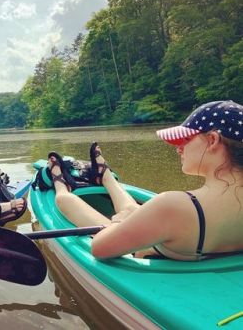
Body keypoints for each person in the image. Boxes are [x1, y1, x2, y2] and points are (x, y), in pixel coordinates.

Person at [48, 100, 243, 261]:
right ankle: (106, 178)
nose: (178, 148)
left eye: (185, 139)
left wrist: (119, 222)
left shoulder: (173, 206)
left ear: (212, 140)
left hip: (143, 248)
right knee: (132, 210)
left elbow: (99, 248)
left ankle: (60, 182)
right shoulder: (173, 208)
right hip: (192, 242)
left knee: (64, 200)